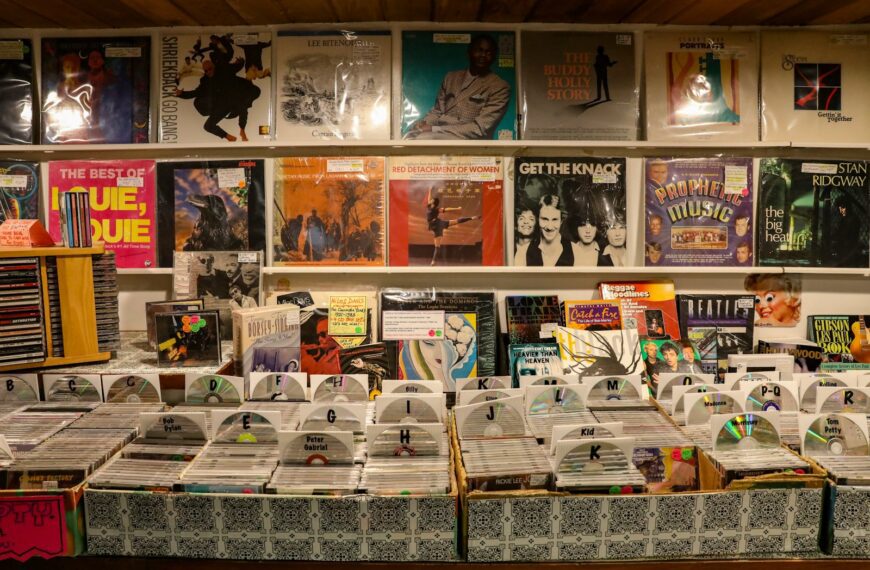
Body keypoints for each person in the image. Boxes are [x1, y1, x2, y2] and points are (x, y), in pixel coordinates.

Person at [406, 34, 510, 140]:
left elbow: (479, 129)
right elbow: (437, 111)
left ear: (494, 57)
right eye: (479, 50)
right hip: (439, 133)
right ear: (469, 53)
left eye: (489, 52)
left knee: (422, 140)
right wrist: (423, 124)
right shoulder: (451, 77)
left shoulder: (500, 86)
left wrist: (433, 129)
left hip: (470, 139)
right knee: (408, 136)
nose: (483, 55)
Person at [426, 191, 481, 265]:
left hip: (438, 225)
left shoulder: (436, 209)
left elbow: (447, 209)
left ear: (433, 202)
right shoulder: (429, 206)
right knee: (455, 222)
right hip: (437, 224)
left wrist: (457, 209)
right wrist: (430, 190)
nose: (430, 200)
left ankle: (433, 261)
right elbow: (429, 198)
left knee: (437, 246)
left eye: (432, 200)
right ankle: (472, 218)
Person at [526, 194, 575, 266]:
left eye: (554, 219)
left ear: (561, 221)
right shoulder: (523, 252)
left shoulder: (576, 251)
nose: (549, 227)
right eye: (545, 219)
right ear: (538, 219)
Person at [831, 195, 863, 266]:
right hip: (844, 250)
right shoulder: (844, 219)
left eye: (842, 208)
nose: (840, 210)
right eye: (839, 208)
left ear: (848, 207)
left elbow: (846, 235)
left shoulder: (852, 219)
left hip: (848, 250)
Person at [513, 200, 538, 266]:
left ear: (536, 224)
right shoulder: (509, 247)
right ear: (516, 223)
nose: (526, 222)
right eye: (522, 218)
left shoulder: (540, 251)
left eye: (531, 219)